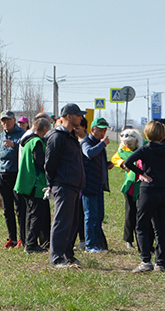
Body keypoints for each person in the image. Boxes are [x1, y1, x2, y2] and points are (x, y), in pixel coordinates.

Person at [123, 119, 165, 273]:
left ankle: (145, 260)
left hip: (149, 191)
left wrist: (142, 174)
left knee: (142, 225)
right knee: (163, 229)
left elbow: (128, 162)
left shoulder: (145, 150)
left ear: (147, 134)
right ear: (163, 135)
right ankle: (161, 263)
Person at [43, 104, 87, 267]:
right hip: (64, 185)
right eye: (78, 115)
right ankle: (56, 258)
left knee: (72, 223)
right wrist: (52, 184)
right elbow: (50, 163)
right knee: (61, 222)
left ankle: (68, 254)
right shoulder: (57, 136)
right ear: (69, 116)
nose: (81, 118)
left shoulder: (71, 136)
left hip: (74, 185)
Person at [14, 115, 52, 252]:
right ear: (45, 129)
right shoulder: (37, 142)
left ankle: (29, 242)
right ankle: (31, 245)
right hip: (34, 184)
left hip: (25, 184)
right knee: (37, 214)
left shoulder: (28, 141)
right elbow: (40, 163)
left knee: (30, 214)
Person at [0, 112, 26, 247]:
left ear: (14, 120)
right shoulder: (0, 137)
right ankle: (11, 238)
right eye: (3, 120)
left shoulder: (21, 134)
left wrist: (15, 146)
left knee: (20, 208)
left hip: (16, 174)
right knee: (7, 209)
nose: (6, 123)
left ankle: (22, 238)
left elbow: (25, 151)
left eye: (8, 120)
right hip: (2, 175)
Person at [80, 117, 112, 252]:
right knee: (90, 216)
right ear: (93, 129)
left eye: (105, 130)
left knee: (99, 215)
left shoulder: (99, 143)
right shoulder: (86, 142)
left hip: (98, 185)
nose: (103, 133)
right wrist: (103, 144)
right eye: (100, 130)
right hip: (88, 186)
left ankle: (97, 244)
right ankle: (90, 245)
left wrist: (107, 165)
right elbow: (89, 153)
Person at [113, 128, 141, 248]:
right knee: (130, 212)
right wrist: (122, 164)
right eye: (126, 144)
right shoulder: (122, 150)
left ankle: (141, 238)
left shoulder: (142, 149)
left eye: (130, 144)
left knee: (141, 213)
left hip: (141, 185)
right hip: (130, 185)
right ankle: (128, 239)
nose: (128, 146)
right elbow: (115, 158)